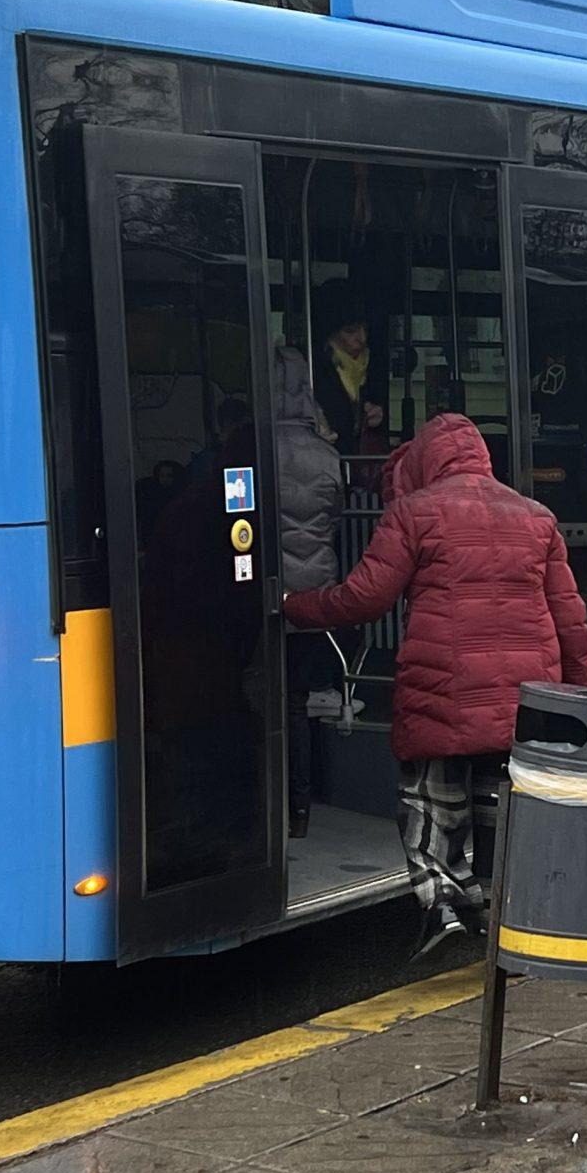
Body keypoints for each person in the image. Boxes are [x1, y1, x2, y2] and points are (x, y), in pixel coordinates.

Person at [283, 412, 587, 954]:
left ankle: (442, 908)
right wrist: (581, 699)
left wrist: (295, 606)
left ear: (428, 459)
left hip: (443, 691)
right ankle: (501, 914)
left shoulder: (414, 513)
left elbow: (365, 598)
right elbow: (570, 618)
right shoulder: (536, 516)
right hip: (523, 697)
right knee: (495, 799)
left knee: (432, 801)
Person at [272, 346, 343, 840]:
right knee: (297, 704)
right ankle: (301, 810)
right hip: (314, 590)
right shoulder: (327, 454)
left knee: (265, 701)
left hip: (266, 593)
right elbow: (333, 518)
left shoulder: (252, 447)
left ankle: (268, 809)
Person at [316, 309, 386, 459]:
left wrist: (377, 415)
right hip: (324, 458)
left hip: (360, 458)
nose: (361, 338)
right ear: (332, 335)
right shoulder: (314, 369)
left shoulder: (373, 364)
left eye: (365, 329)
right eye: (350, 331)